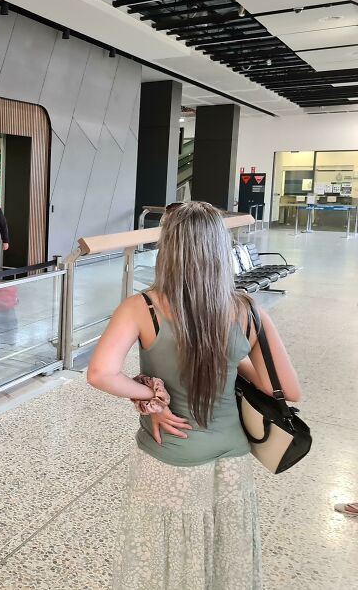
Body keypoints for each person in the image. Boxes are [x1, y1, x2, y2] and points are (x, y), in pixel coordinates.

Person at [87, 201, 301, 589]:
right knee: (223, 553)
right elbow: (284, 389)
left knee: (168, 556)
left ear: (167, 248)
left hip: (171, 451)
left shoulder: (142, 308)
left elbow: (101, 373)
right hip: (232, 454)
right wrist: (229, 357)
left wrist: (150, 394)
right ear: (220, 248)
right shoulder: (247, 310)